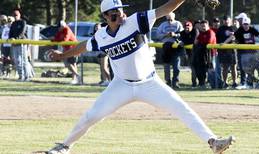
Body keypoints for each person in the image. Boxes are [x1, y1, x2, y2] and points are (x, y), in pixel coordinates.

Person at [45, 0, 235, 153]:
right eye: (115, 12)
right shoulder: (101, 36)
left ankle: (213, 142)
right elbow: (83, 46)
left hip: (150, 83)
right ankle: (64, 147)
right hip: (121, 85)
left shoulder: (136, 21)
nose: (120, 14)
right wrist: (62, 55)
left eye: (120, 10)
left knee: (181, 108)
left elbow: (165, 8)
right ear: (105, 16)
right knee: (91, 116)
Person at [224, 17, 259, 89]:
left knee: (252, 68)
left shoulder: (252, 29)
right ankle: (243, 83)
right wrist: (224, 43)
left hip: (251, 53)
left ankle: (251, 83)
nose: (245, 25)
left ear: (249, 24)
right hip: (242, 53)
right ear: (242, 24)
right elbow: (232, 37)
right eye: (244, 24)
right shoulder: (240, 30)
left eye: (247, 24)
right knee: (242, 68)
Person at [157, 12, 183, 89]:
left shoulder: (178, 24)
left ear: (174, 17)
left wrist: (174, 35)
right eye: (168, 19)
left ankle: (175, 82)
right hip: (166, 47)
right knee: (167, 66)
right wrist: (166, 35)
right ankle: (168, 81)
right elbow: (158, 35)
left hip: (176, 46)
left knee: (176, 66)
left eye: (171, 19)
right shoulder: (162, 25)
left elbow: (183, 34)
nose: (169, 21)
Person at [52, 20, 81, 85]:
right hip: (66, 49)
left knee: (70, 63)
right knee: (69, 63)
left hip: (73, 48)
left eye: (60, 27)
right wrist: (54, 40)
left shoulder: (67, 29)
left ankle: (76, 77)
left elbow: (65, 39)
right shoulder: (60, 31)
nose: (59, 28)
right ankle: (76, 78)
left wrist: (57, 40)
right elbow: (56, 38)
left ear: (63, 26)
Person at [9, 8, 34, 81]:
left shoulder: (23, 22)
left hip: (22, 43)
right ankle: (21, 76)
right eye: (14, 15)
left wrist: (16, 38)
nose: (15, 16)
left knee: (24, 60)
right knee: (17, 60)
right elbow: (10, 33)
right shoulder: (13, 23)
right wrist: (10, 38)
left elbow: (22, 32)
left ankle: (26, 76)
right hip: (15, 44)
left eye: (16, 15)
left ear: (19, 15)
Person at [193, 20, 216, 88]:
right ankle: (202, 84)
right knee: (201, 69)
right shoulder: (201, 33)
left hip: (211, 54)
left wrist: (200, 43)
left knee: (211, 69)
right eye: (202, 26)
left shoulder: (210, 32)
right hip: (203, 55)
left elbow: (208, 42)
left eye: (204, 26)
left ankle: (214, 84)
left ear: (208, 26)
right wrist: (200, 42)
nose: (203, 27)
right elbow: (196, 42)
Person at [217, 16, 237, 88]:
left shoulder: (233, 28)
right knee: (225, 67)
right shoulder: (220, 29)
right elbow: (217, 40)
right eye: (225, 20)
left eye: (227, 20)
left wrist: (225, 43)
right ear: (223, 21)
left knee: (233, 67)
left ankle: (234, 82)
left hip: (231, 50)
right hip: (223, 51)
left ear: (230, 20)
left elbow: (233, 37)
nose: (226, 21)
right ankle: (224, 82)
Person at [178, 21, 197, 87]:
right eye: (185, 27)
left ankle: (202, 83)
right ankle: (194, 83)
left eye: (188, 27)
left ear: (191, 27)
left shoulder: (195, 31)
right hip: (189, 53)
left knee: (200, 68)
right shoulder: (182, 33)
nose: (187, 29)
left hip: (198, 52)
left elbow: (192, 40)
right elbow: (180, 40)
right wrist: (182, 42)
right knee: (193, 67)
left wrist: (184, 42)